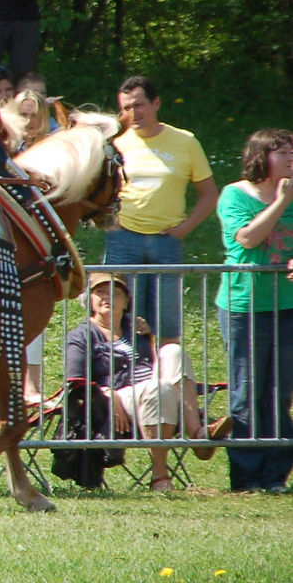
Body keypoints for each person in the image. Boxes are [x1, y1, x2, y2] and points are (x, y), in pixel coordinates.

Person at [65, 272, 211, 492]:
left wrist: (147, 337)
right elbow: (75, 381)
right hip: (116, 400)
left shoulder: (135, 330)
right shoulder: (81, 336)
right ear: (90, 301)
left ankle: (196, 432)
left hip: (155, 396)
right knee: (158, 388)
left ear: (126, 301)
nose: (107, 297)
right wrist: (107, 394)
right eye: (100, 292)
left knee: (173, 351)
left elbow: (151, 364)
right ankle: (160, 475)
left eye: (116, 293)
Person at [107, 75, 217, 343]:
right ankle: (125, 380)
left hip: (166, 241)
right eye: (126, 108)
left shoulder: (185, 141)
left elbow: (209, 194)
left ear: (156, 103)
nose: (134, 113)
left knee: (167, 323)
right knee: (121, 318)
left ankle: (168, 379)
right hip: (123, 238)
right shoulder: (115, 143)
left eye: (140, 105)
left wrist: (184, 229)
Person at [215, 129, 293, 492]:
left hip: (286, 305)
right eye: (282, 151)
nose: (290, 157)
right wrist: (280, 203)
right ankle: (246, 477)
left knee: (279, 392)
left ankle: (274, 475)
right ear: (261, 156)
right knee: (247, 393)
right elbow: (246, 238)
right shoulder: (235, 194)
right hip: (244, 306)